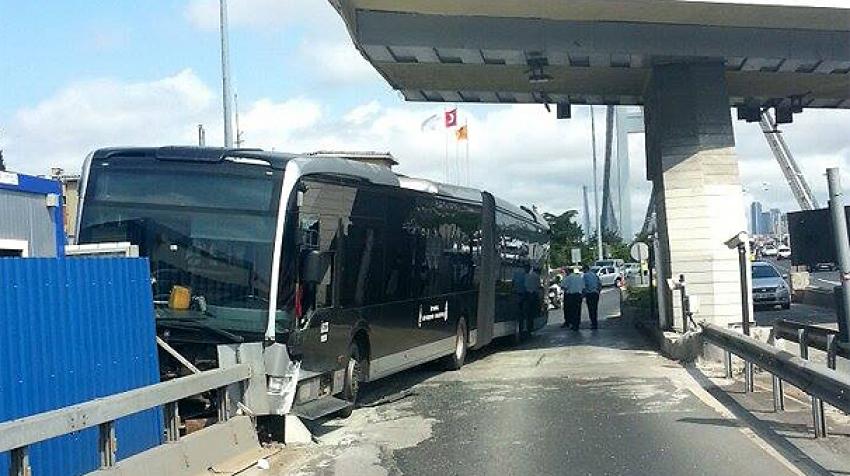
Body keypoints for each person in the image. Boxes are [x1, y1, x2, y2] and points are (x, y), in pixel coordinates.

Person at [582, 265, 602, 330]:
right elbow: (599, 284)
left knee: (591, 309)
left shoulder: (585, 276)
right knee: (595, 308)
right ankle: (595, 323)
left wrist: (583, 295)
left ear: (585, 269)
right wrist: (598, 291)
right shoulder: (594, 275)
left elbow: (584, 286)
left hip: (589, 294)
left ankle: (593, 323)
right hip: (595, 293)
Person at [523, 265, 541, 335]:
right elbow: (538, 286)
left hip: (527, 294)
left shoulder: (526, 276)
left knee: (528, 312)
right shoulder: (536, 276)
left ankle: (528, 326)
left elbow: (524, 285)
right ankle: (531, 327)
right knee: (533, 312)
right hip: (534, 295)